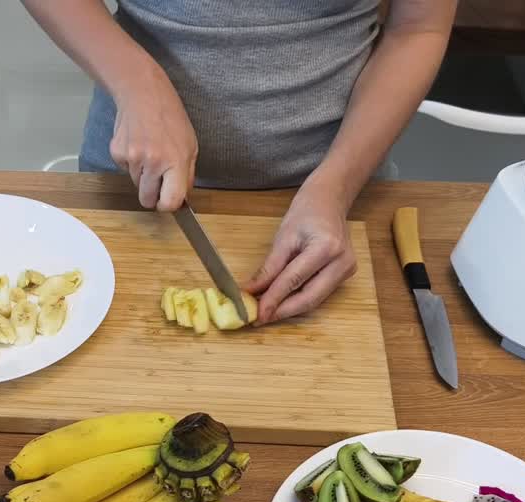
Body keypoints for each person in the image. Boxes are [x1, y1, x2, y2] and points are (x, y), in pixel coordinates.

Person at [22, 0, 456, 325]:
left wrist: (335, 187)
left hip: (338, 189)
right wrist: (137, 81)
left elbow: (418, 28)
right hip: (135, 181)